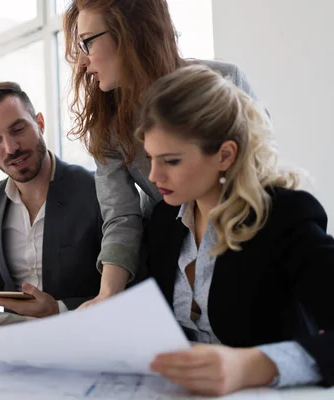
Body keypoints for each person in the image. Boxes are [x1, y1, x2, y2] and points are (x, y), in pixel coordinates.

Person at [134, 65, 334, 395]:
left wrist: (252, 365)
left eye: (171, 161)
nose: (154, 177)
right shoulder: (163, 222)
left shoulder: (285, 216)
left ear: (225, 155)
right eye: (151, 159)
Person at [62, 0, 259, 307]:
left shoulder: (225, 83)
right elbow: (121, 216)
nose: (83, 62)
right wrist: (107, 295)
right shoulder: (108, 123)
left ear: (129, 34)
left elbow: (261, 181)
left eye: (87, 42)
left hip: (243, 250)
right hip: (170, 257)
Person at [0, 82, 103, 322]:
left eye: (18, 130)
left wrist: (58, 308)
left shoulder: (94, 189)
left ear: (40, 123)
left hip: (82, 332)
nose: (10, 148)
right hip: (13, 337)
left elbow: (131, 286)